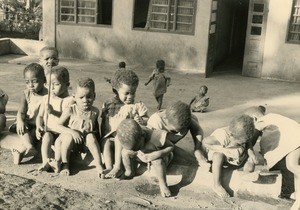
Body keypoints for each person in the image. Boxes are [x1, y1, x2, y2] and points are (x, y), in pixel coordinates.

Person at [48, 77, 105, 178]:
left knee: (91, 136)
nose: (85, 101)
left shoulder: (95, 111)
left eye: (89, 97)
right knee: (68, 137)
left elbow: (96, 128)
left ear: (94, 96)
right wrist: (73, 132)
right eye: (81, 97)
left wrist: (98, 142)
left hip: (83, 142)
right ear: (74, 97)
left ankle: (99, 165)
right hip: (69, 141)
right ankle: (65, 164)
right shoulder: (70, 110)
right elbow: (58, 125)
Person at [245, 107, 300, 210]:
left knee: (292, 165)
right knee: (290, 165)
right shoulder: (276, 117)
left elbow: (251, 141)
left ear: (254, 118)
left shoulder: (260, 122)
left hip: (296, 141)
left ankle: (295, 195)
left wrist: (249, 153)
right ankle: (292, 194)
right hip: (296, 138)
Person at [101, 69, 149, 178]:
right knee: (106, 142)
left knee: (119, 137)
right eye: (126, 93)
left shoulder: (138, 105)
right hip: (111, 137)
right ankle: (109, 166)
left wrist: (142, 121)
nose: (130, 97)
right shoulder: (109, 104)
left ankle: (118, 167)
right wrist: (103, 135)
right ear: (115, 91)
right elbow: (103, 122)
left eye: (133, 93)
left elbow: (147, 120)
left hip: (129, 139)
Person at [202, 114, 258, 198]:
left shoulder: (241, 135)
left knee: (251, 160)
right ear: (230, 135)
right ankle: (217, 184)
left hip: (236, 156)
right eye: (240, 143)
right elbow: (205, 142)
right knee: (218, 156)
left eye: (243, 143)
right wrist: (222, 151)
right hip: (224, 156)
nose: (243, 144)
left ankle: (247, 173)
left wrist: (251, 154)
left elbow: (248, 143)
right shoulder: (222, 136)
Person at [117, 119, 174, 197]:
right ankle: (129, 171)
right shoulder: (132, 137)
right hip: (142, 156)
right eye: (133, 149)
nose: (136, 150)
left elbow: (171, 146)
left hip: (156, 155)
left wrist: (157, 154)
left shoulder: (156, 136)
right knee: (124, 152)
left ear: (143, 135)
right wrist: (134, 151)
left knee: (158, 161)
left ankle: (163, 184)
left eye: (138, 147)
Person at [147, 101, 209, 169]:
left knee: (194, 120)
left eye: (182, 129)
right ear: (165, 118)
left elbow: (197, 130)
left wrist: (198, 149)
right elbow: (170, 146)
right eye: (175, 130)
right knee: (162, 159)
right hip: (160, 143)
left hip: (169, 140)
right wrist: (195, 160)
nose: (179, 132)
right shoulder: (156, 123)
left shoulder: (184, 116)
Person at [35, 66, 73, 172]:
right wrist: (38, 126)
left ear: (67, 85)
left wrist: (53, 112)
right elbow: (40, 116)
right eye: (48, 84)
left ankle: (62, 163)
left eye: (56, 84)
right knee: (46, 136)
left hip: (63, 132)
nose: (51, 88)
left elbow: (66, 117)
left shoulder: (70, 101)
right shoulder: (46, 99)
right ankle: (45, 162)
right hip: (50, 131)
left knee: (63, 142)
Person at [10, 63, 48, 165]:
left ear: (44, 80)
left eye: (34, 82)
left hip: (40, 125)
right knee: (22, 128)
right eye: (27, 82)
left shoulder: (48, 95)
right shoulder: (26, 93)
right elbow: (21, 111)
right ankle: (29, 146)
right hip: (28, 123)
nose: (30, 85)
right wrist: (20, 121)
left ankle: (19, 153)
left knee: (35, 136)